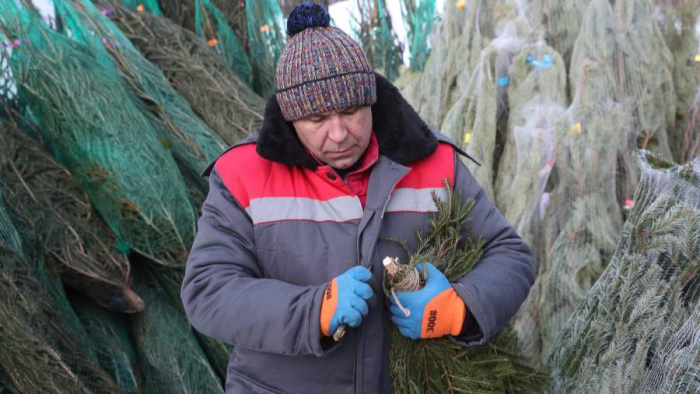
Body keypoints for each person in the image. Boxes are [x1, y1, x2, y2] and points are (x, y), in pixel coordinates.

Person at [181, 3, 534, 393]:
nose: (338, 134)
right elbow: (208, 290)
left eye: (351, 111)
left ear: (371, 100)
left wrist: (461, 308)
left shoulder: (434, 163)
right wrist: (313, 311)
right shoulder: (243, 175)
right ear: (290, 117)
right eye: (316, 120)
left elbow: (510, 254)